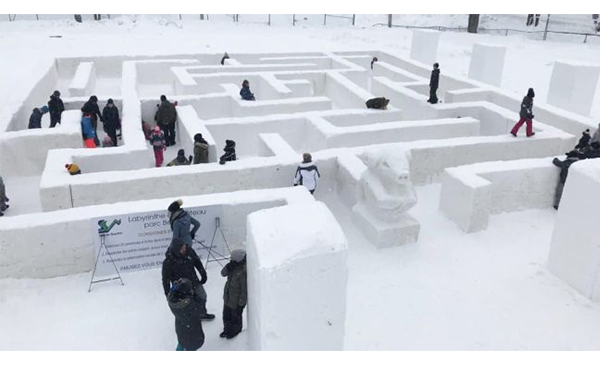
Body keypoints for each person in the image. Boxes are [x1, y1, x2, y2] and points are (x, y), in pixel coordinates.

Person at [162, 230, 215, 320]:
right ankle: (191, 319)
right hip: (181, 287)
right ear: (176, 249)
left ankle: (202, 314)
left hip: (194, 280)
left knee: (202, 296)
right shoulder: (168, 262)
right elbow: (165, 279)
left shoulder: (189, 251)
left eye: (184, 247)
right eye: (182, 248)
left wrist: (203, 273)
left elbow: (197, 262)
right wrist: (167, 293)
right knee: (188, 303)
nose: (184, 249)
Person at [168, 278, 205, 351]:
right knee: (190, 347)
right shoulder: (190, 306)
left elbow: (171, 294)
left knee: (182, 342)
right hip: (193, 334)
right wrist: (195, 297)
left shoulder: (173, 301)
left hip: (181, 329)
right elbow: (201, 309)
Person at [220, 249, 247, 340]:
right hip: (228, 297)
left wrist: (241, 304)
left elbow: (244, 290)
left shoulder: (243, 271)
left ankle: (235, 331)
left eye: (232, 259)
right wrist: (228, 267)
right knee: (226, 315)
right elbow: (222, 273)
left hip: (236, 301)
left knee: (235, 318)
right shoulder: (232, 266)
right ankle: (227, 329)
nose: (231, 260)